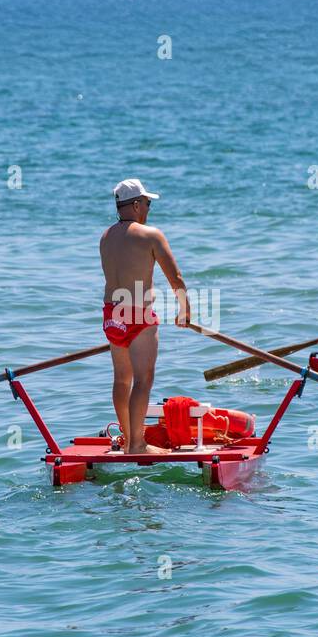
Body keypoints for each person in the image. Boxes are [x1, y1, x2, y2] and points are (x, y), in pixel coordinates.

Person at [100, 179, 191, 454]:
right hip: (138, 315)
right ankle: (138, 445)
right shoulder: (151, 235)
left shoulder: (106, 236)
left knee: (121, 380)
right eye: (148, 204)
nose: (149, 209)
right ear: (137, 204)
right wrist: (185, 310)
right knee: (143, 379)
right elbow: (175, 277)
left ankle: (128, 442)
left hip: (111, 314)